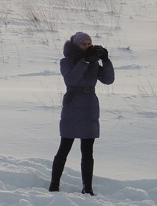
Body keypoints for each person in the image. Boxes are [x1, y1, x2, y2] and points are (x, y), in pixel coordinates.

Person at [49, 32, 115, 195]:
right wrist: (85, 60)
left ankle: (88, 188)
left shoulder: (93, 63)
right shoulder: (66, 62)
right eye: (83, 44)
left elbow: (108, 80)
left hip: (89, 106)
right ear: (76, 46)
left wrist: (105, 60)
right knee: (64, 146)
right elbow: (71, 80)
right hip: (73, 104)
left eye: (89, 43)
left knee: (88, 149)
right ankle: (54, 185)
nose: (87, 46)